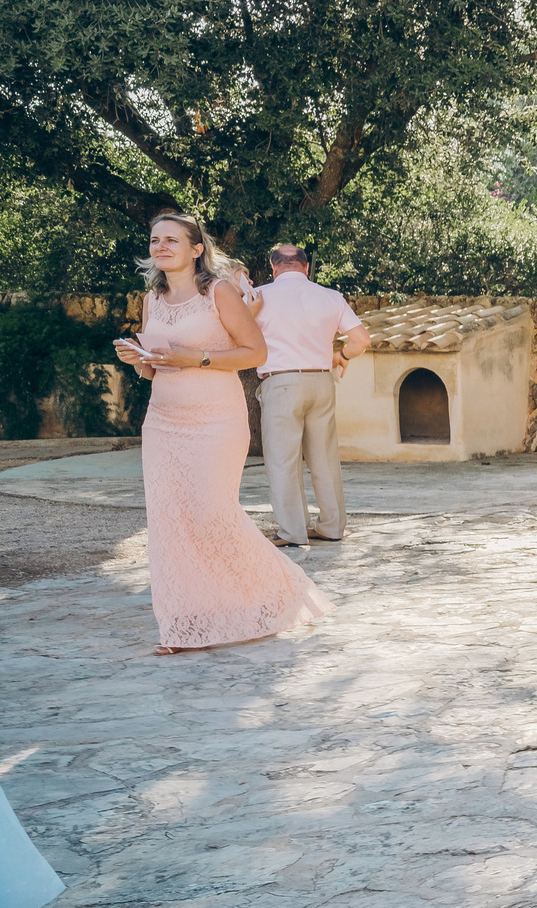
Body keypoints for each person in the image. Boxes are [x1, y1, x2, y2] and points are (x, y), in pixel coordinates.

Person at [113, 213, 331, 656]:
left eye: (172, 239)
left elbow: (255, 352)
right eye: (155, 239)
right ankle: (182, 623)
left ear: (196, 249)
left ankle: (278, 594)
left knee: (212, 514)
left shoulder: (220, 291)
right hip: (163, 422)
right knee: (170, 520)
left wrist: (196, 358)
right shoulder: (150, 298)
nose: (161, 246)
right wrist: (138, 361)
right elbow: (156, 369)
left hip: (216, 419)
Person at [252, 244, 369, 548]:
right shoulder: (330, 296)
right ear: (305, 268)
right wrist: (341, 355)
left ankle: (292, 531)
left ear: (273, 267)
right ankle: (332, 526)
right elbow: (361, 339)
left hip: (280, 382)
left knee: (283, 459)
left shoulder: (258, 297)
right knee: (325, 458)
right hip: (321, 381)